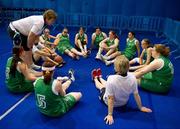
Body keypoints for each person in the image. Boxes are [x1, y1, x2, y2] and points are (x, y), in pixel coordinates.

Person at [91, 55, 152, 125]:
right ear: (128, 67)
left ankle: (95, 78)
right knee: (108, 84)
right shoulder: (133, 78)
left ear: (116, 69)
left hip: (111, 102)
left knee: (102, 87)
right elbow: (136, 94)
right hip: (123, 102)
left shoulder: (111, 78)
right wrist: (140, 107)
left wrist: (110, 114)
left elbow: (110, 98)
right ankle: (100, 77)